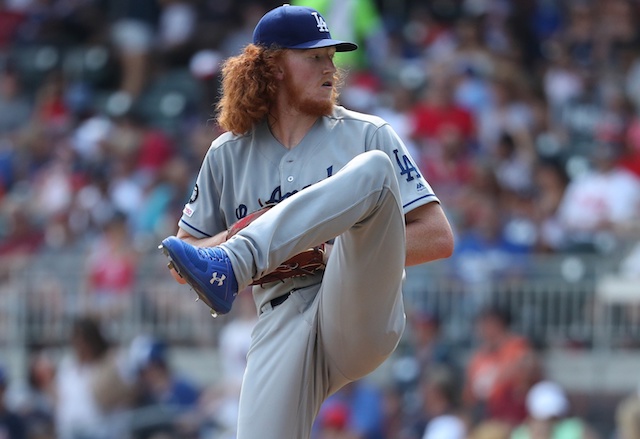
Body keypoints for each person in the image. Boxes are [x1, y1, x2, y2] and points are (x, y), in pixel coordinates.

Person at [158, 4, 454, 438]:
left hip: (355, 295)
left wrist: (332, 249)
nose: (330, 67)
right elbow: (184, 261)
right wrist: (251, 231)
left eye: (331, 57)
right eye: (314, 57)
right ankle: (239, 257)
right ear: (273, 67)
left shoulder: (367, 133)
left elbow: (439, 238)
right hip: (279, 317)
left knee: (373, 169)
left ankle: (239, 260)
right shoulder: (227, 153)